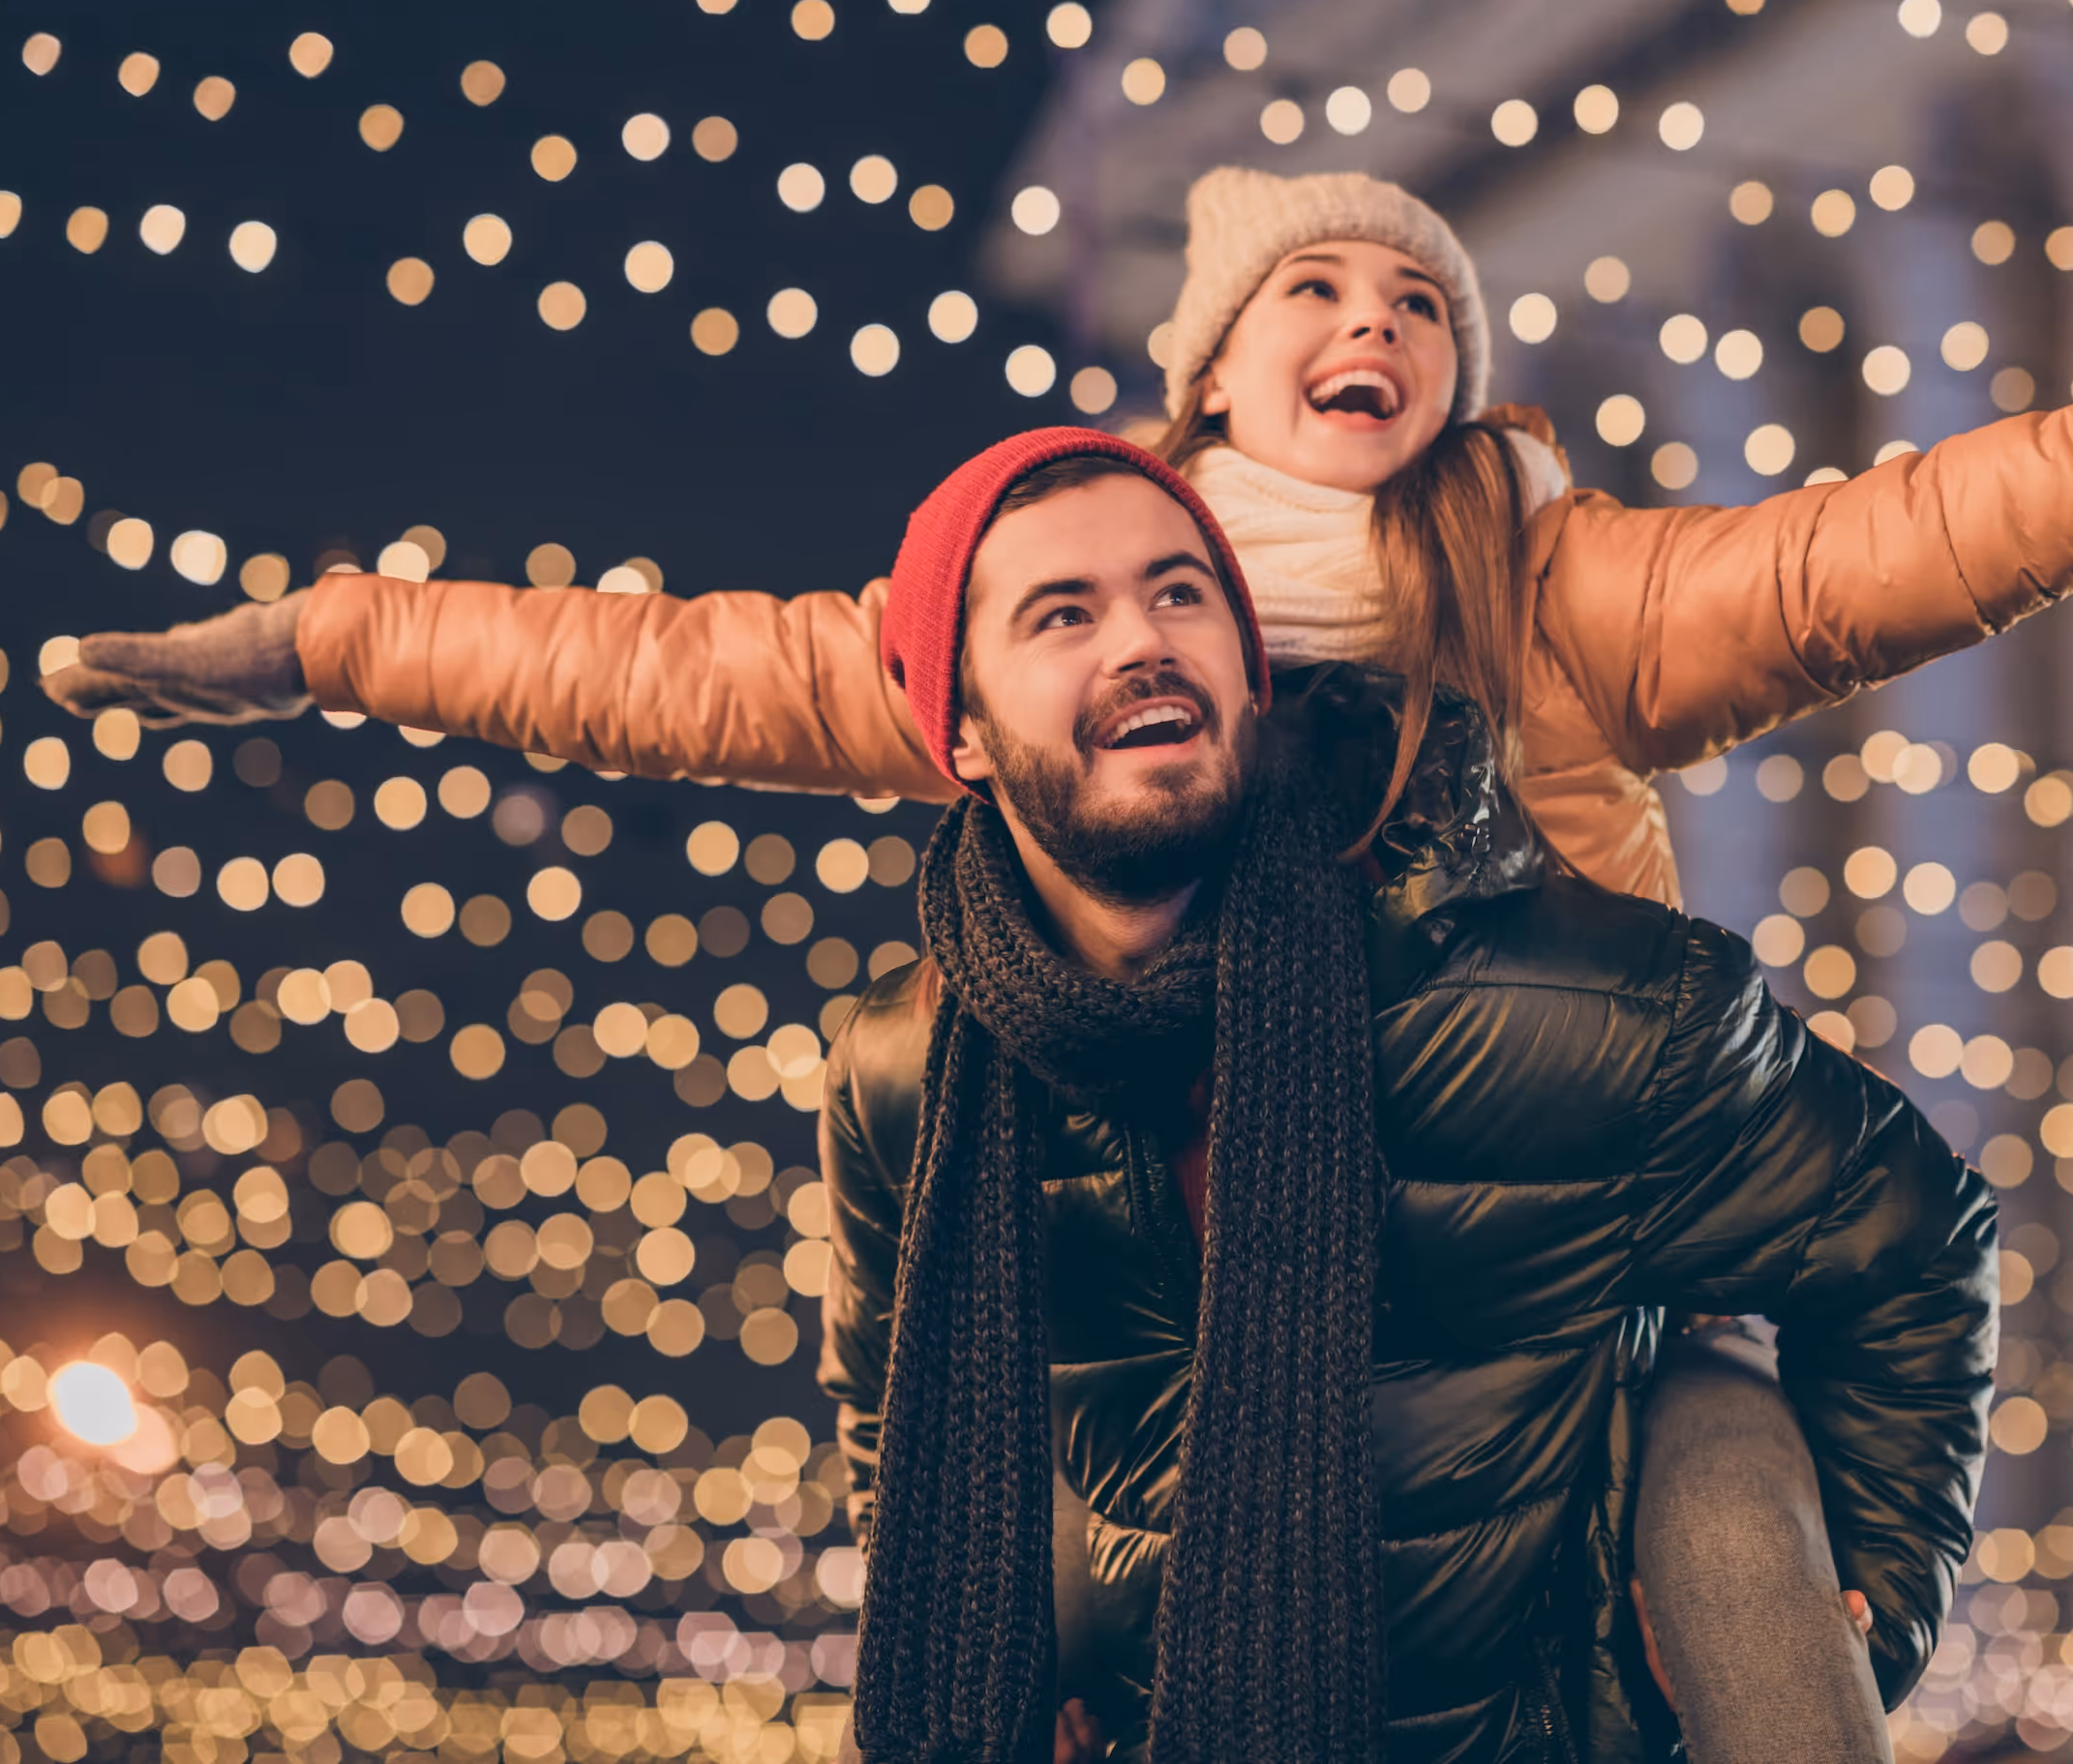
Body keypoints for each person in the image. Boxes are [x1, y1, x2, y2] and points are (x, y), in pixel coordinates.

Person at [43, 168, 2073, 1757]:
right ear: (1215, 357)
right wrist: (333, 638)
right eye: (1319, 283)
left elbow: (1934, 533)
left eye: (1418, 295)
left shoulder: (1557, 582)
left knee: (1731, 1496)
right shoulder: (1052, 604)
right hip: (1226, 1205)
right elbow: (649, 670)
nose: (1375, 320)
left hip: (1560, 1202)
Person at [814, 425, 1995, 1759]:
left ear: (1245, 668)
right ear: (962, 724)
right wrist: (1019, 1666)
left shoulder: (1589, 1008)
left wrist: (1865, 1625)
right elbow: (892, 1409)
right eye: (1062, 613)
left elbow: (1916, 1246)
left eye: (1179, 591)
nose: (1139, 639)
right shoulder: (905, 1073)